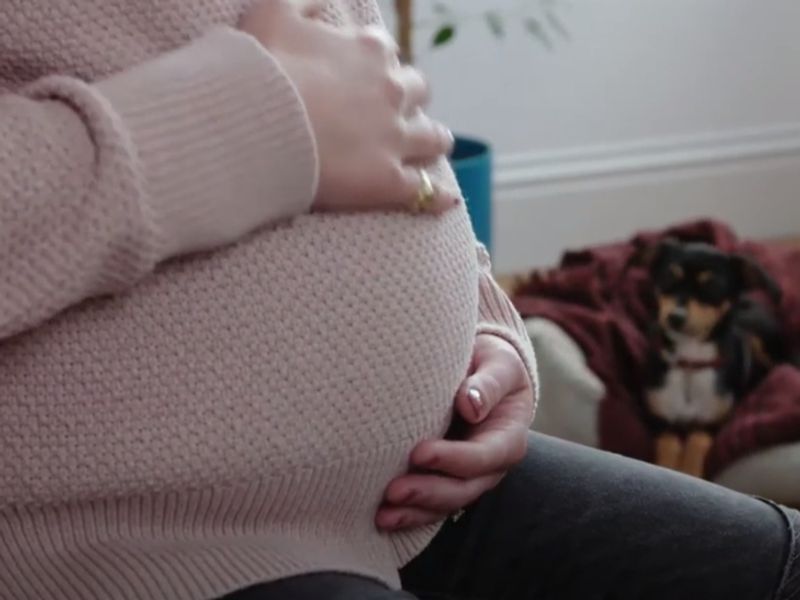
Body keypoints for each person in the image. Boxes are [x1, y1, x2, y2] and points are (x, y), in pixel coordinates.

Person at [0, 1, 796, 599]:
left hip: (428, 493)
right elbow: (288, 100)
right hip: (124, 544)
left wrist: (482, 316)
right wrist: (247, 119)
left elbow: (361, 86)